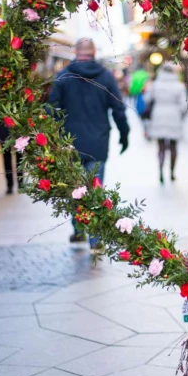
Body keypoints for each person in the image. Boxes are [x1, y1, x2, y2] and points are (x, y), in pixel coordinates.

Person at [48, 38, 130, 245]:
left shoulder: (63, 76)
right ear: (94, 52)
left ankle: (78, 230)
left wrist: (53, 139)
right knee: (95, 189)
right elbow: (118, 109)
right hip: (98, 143)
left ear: (76, 52)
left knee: (75, 189)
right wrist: (124, 134)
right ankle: (95, 239)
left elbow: (51, 110)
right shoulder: (105, 78)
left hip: (69, 143)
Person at [145, 62, 188, 184]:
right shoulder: (179, 86)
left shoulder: (155, 84)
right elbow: (184, 105)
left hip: (159, 116)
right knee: (173, 147)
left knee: (161, 147)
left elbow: (147, 99)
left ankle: (160, 172)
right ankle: (172, 173)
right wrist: (181, 115)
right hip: (174, 117)